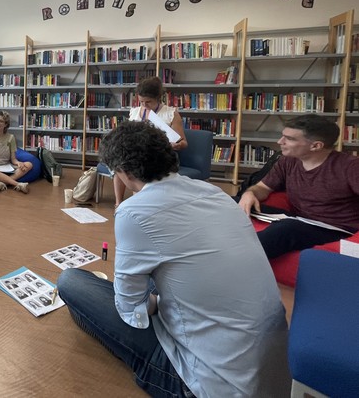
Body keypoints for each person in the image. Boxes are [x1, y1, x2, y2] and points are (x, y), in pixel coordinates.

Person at [58, 121, 290, 397]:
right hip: (271, 370)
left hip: (203, 382)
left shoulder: (134, 211)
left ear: (125, 173)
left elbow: (131, 308)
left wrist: (154, 303)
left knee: (71, 282)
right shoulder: (217, 193)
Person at [238, 114, 359, 258]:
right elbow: (263, 188)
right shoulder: (288, 160)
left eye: (289, 139)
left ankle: (235, 263)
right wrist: (249, 193)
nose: (279, 142)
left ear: (316, 146)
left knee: (286, 229)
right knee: (230, 201)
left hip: (335, 228)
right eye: (283, 136)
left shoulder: (350, 167)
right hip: (298, 219)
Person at [111, 76, 188, 206]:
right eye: (141, 102)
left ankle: (140, 204)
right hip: (137, 153)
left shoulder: (171, 113)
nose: (144, 105)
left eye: (148, 102)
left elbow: (184, 143)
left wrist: (177, 145)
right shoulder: (134, 112)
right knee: (120, 162)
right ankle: (119, 204)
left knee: (138, 167)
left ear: (158, 98)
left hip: (162, 155)